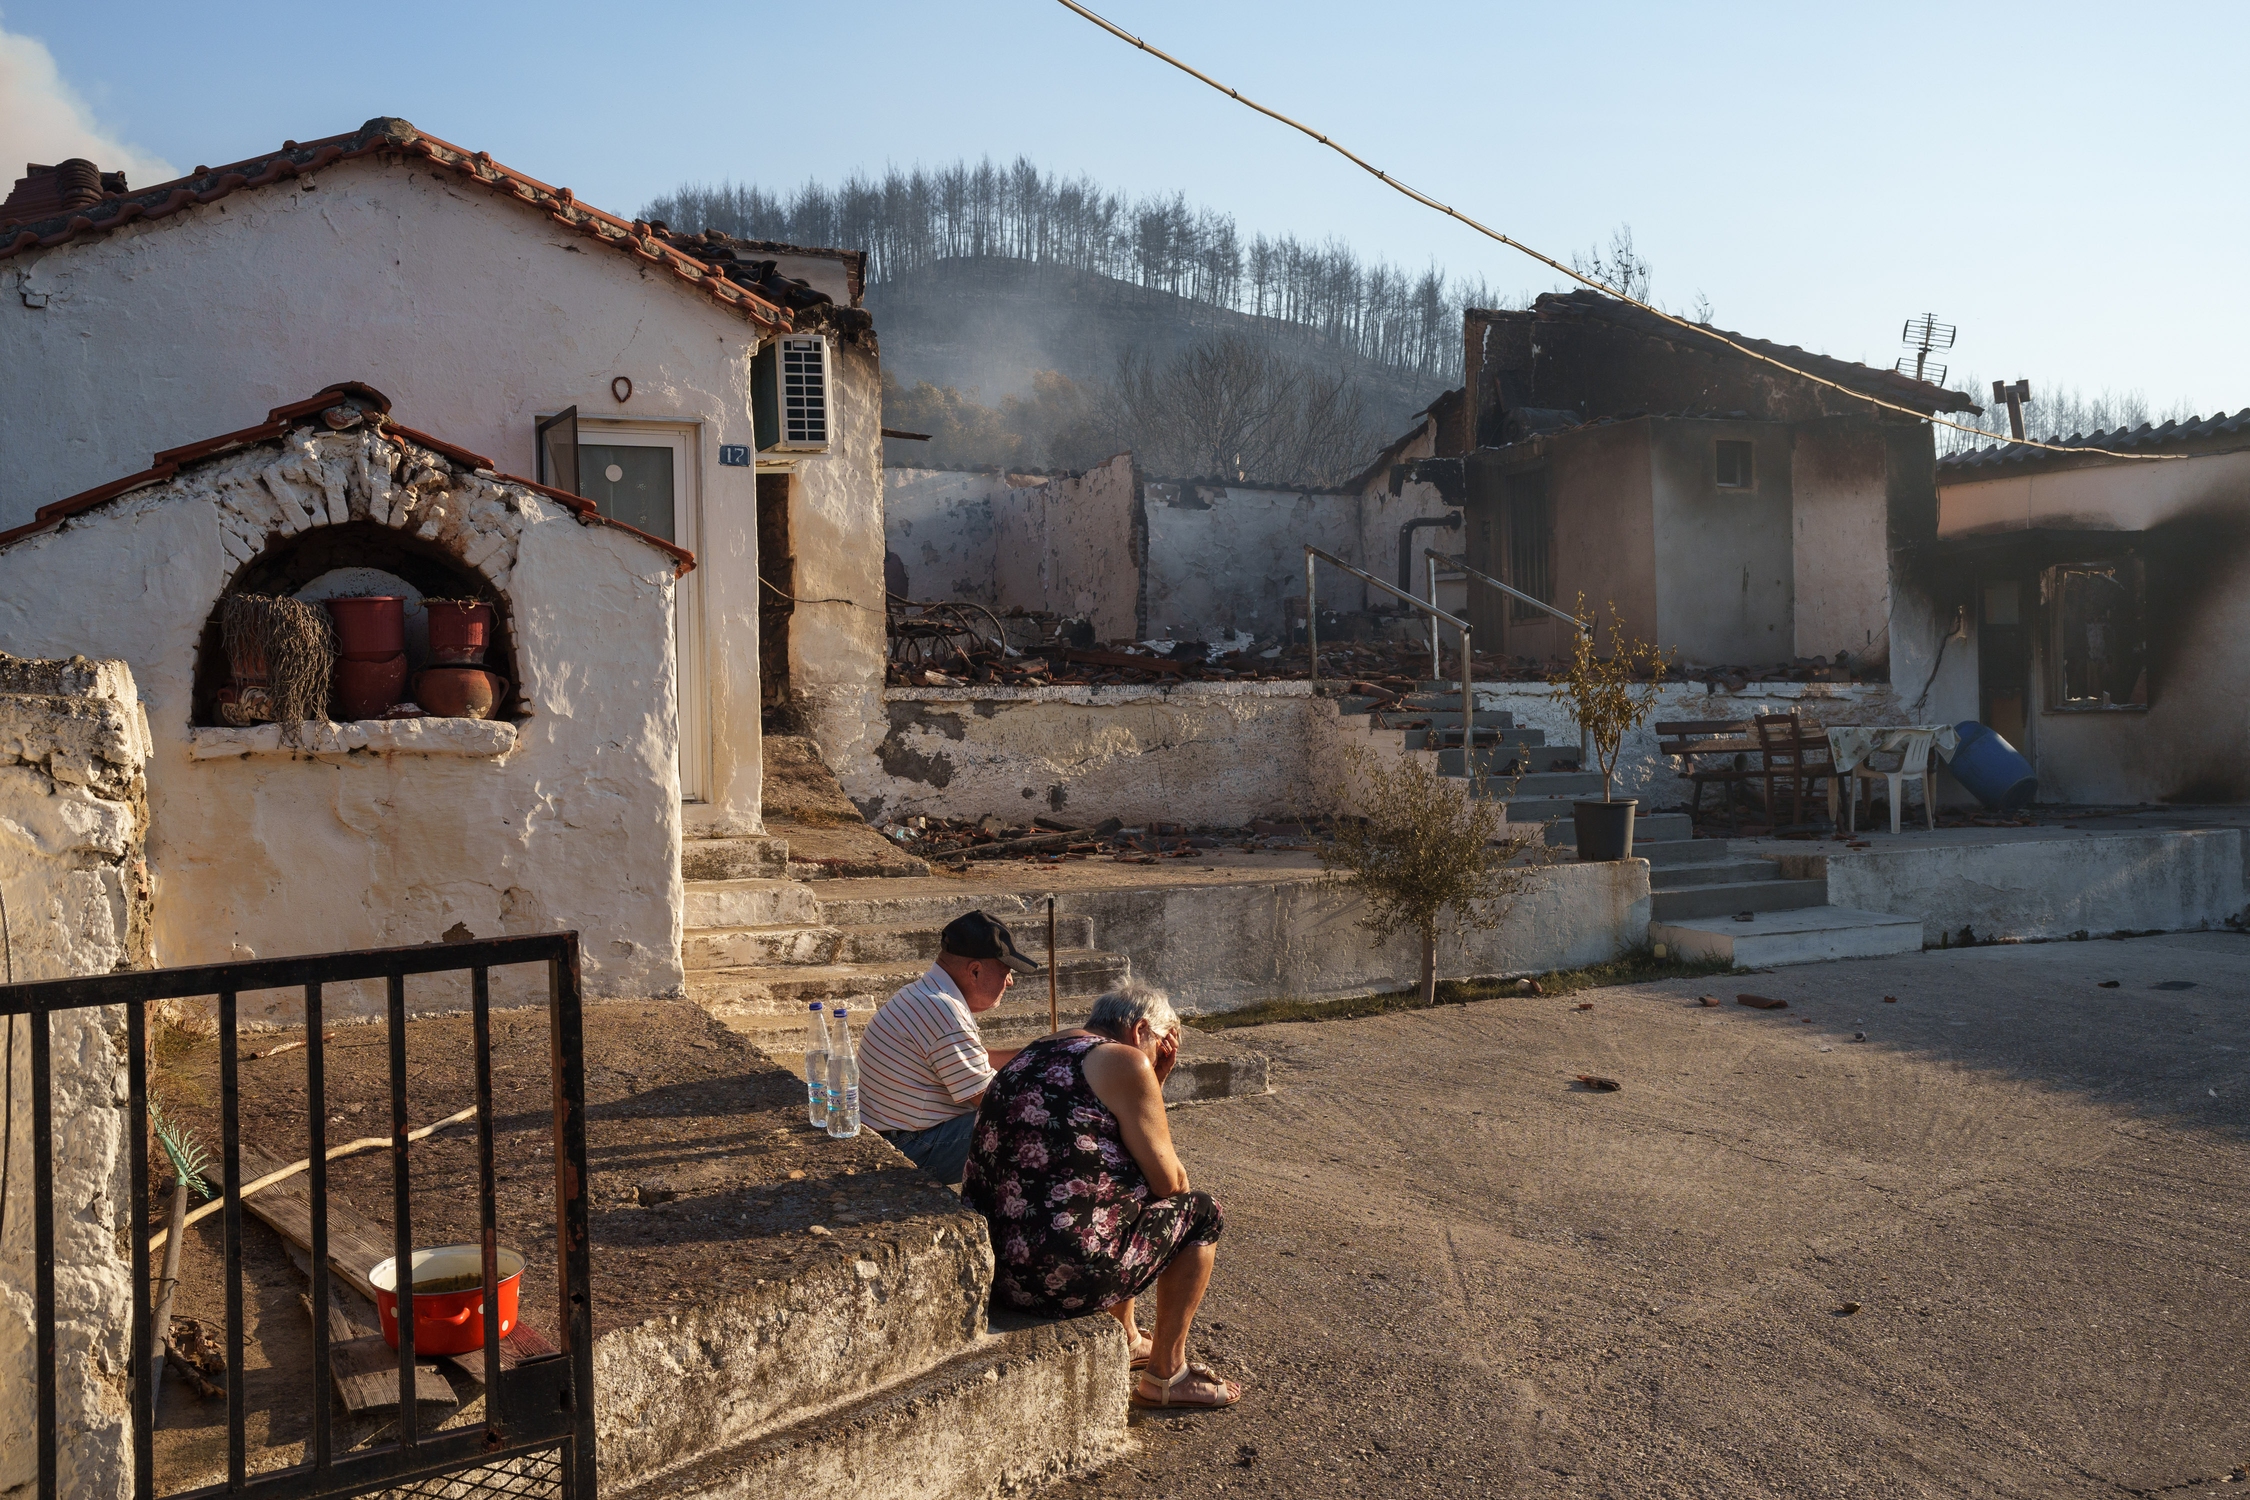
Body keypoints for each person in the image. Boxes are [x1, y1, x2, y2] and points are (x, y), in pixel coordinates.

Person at [964, 982, 1241, 1411]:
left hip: (995, 1272)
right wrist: (1152, 1074)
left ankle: (1129, 1337)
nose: (1156, 1061)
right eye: (1160, 1048)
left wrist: (1153, 1079)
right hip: (1058, 1283)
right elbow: (1171, 1183)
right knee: (1201, 1212)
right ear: (1141, 1030)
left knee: (1108, 1179)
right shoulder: (1125, 1060)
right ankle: (1167, 1374)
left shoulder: (1037, 1050)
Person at [859, 910, 1038, 1184]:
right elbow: (992, 1099)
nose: (1010, 982)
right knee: (1035, 1124)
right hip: (908, 1147)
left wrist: (1039, 1055)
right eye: (1006, 972)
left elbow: (977, 1060)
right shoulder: (944, 1011)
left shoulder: (923, 994)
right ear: (975, 971)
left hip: (891, 1132)